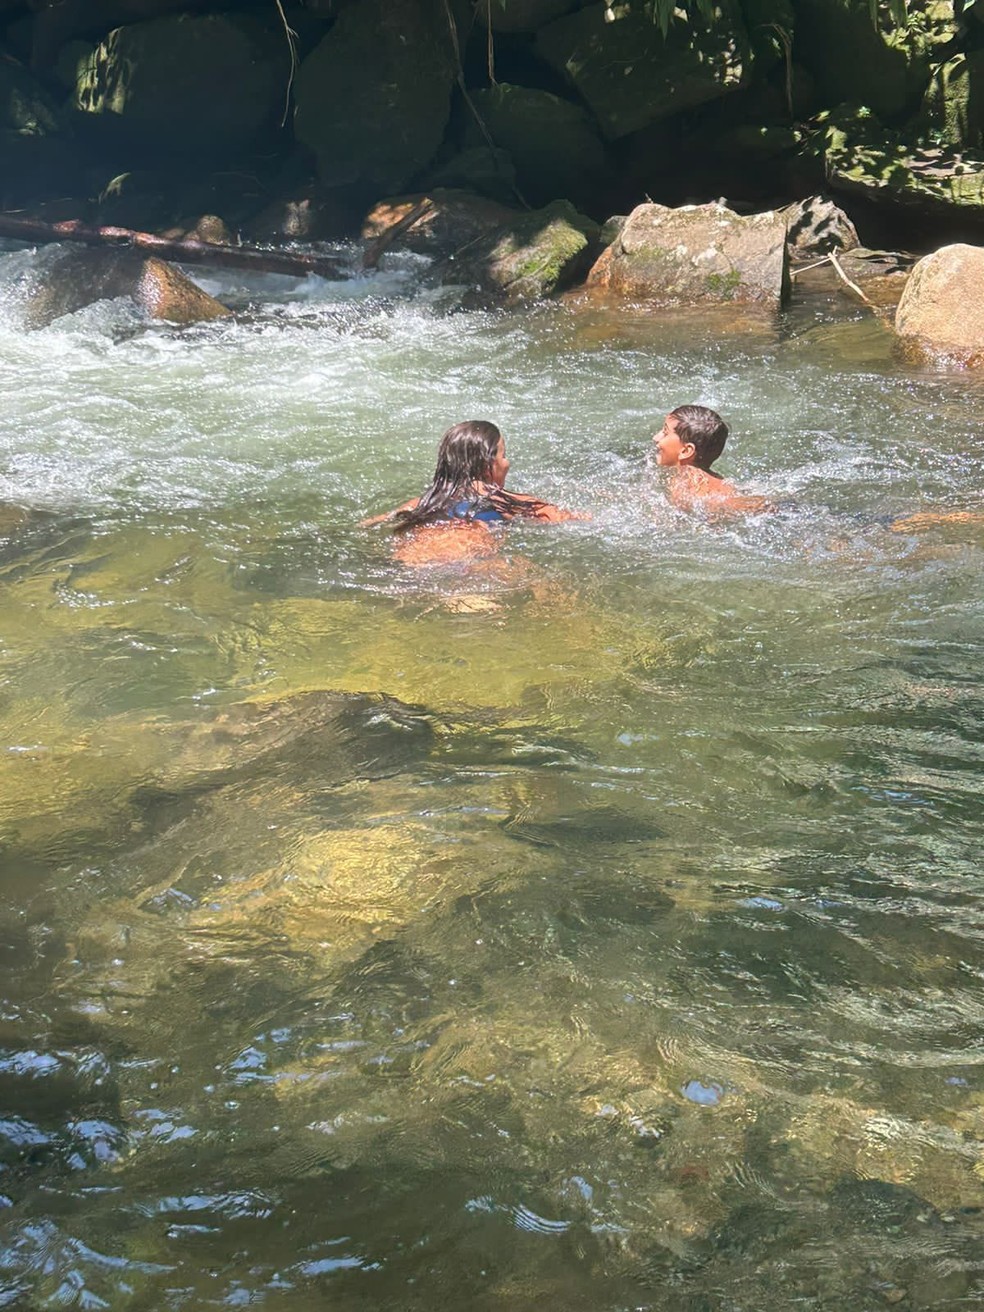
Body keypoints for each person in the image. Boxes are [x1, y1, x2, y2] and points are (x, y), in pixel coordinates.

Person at [362, 420, 581, 565]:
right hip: (464, 565)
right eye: (504, 455)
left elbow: (367, 526)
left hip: (410, 562)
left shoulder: (422, 502)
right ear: (489, 465)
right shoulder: (507, 501)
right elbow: (575, 521)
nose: (507, 463)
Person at [653, 405, 771, 517]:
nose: (656, 437)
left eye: (665, 432)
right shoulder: (706, 478)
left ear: (686, 451)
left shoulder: (686, 484)